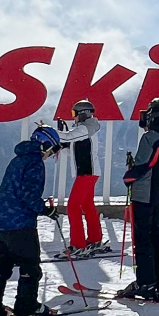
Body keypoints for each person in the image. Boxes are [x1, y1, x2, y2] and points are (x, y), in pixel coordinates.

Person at [0, 125, 63, 316]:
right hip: (20, 223)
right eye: (53, 149)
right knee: (30, 265)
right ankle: (27, 304)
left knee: (1, 265)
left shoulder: (18, 159)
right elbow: (28, 195)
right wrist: (46, 210)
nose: (52, 154)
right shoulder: (35, 162)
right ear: (45, 144)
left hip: (2, 221)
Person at [117, 98, 159, 301]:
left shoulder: (150, 137)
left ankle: (145, 283)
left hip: (145, 194)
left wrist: (129, 176)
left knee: (143, 238)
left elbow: (145, 164)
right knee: (156, 235)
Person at [55, 99, 108, 257]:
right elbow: (72, 147)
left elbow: (69, 137)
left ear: (83, 114)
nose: (73, 117)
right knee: (87, 205)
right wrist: (62, 144)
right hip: (87, 172)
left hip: (87, 173)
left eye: (74, 114)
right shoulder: (84, 129)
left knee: (73, 206)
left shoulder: (87, 128)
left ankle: (78, 244)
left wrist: (51, 133)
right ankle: (94, 239)